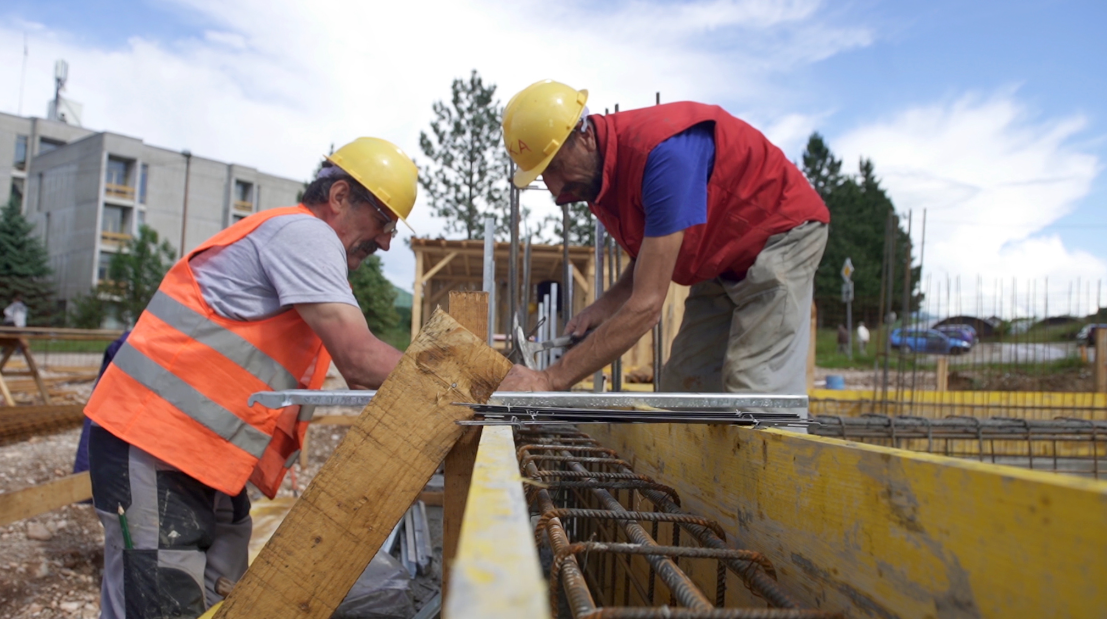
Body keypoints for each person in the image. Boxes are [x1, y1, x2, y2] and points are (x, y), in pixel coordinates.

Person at [82, 137, 418, 619]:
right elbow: (361, 359)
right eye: (384, 221)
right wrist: (467, 382)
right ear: (340, 196)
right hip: (155, 446)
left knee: (222, 598)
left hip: (200, 458)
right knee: (164, 604)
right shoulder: (307, 235)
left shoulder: (292, 239)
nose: (386, 241)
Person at [497, 80, 828, 411]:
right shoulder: (594, 178)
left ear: (583, 134)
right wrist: (605, 306)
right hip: (720, 255)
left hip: (780, 234)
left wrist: (549, 379)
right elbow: (648, 257)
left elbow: (647, 307)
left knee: (756, 393)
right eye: (543, 174)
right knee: (685, 389)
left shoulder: (663, 156)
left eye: (555, 165)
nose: (555, 188)